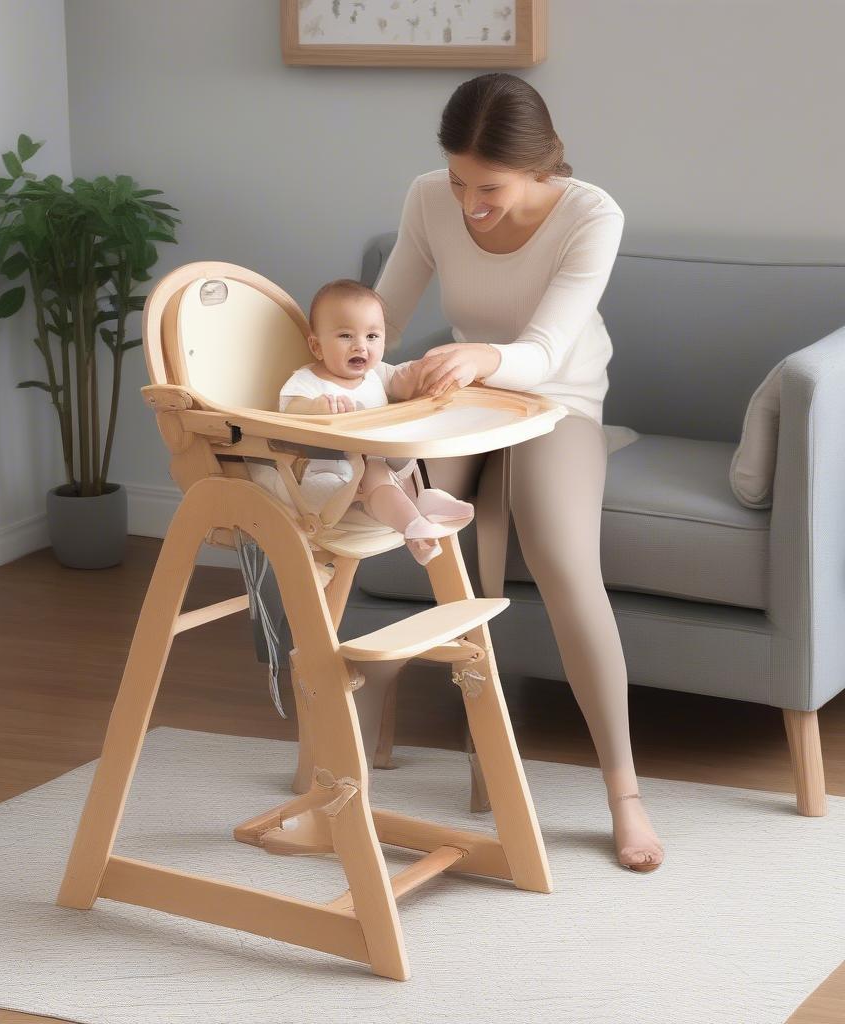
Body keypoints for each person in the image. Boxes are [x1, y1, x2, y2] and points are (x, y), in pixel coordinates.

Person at [371, 72, 665, 873]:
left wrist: (485, 356)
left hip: (556, 398)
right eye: (459, 180)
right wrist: (357, 359)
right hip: (468, 393)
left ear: (541, 169)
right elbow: (386, 312)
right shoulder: (429, 197)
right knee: (379, 506)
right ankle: (345, 740)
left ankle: (624, 794)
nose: (469, 204)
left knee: (565, 563)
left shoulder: (591, 214)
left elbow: (546, 348)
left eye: (489, 187)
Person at [272, 279, 475, 565]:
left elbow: (403, 381)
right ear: (317, 347)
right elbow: (287, 410)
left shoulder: (376, 374)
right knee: (376, 470)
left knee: (402, 444)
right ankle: (412, 525)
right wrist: (316, 408)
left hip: (379, 471)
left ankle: (422, 500)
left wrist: (426, 374)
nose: (360, 346)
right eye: (345, 336)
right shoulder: (308, 382)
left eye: (372, 336)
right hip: (331, 478)